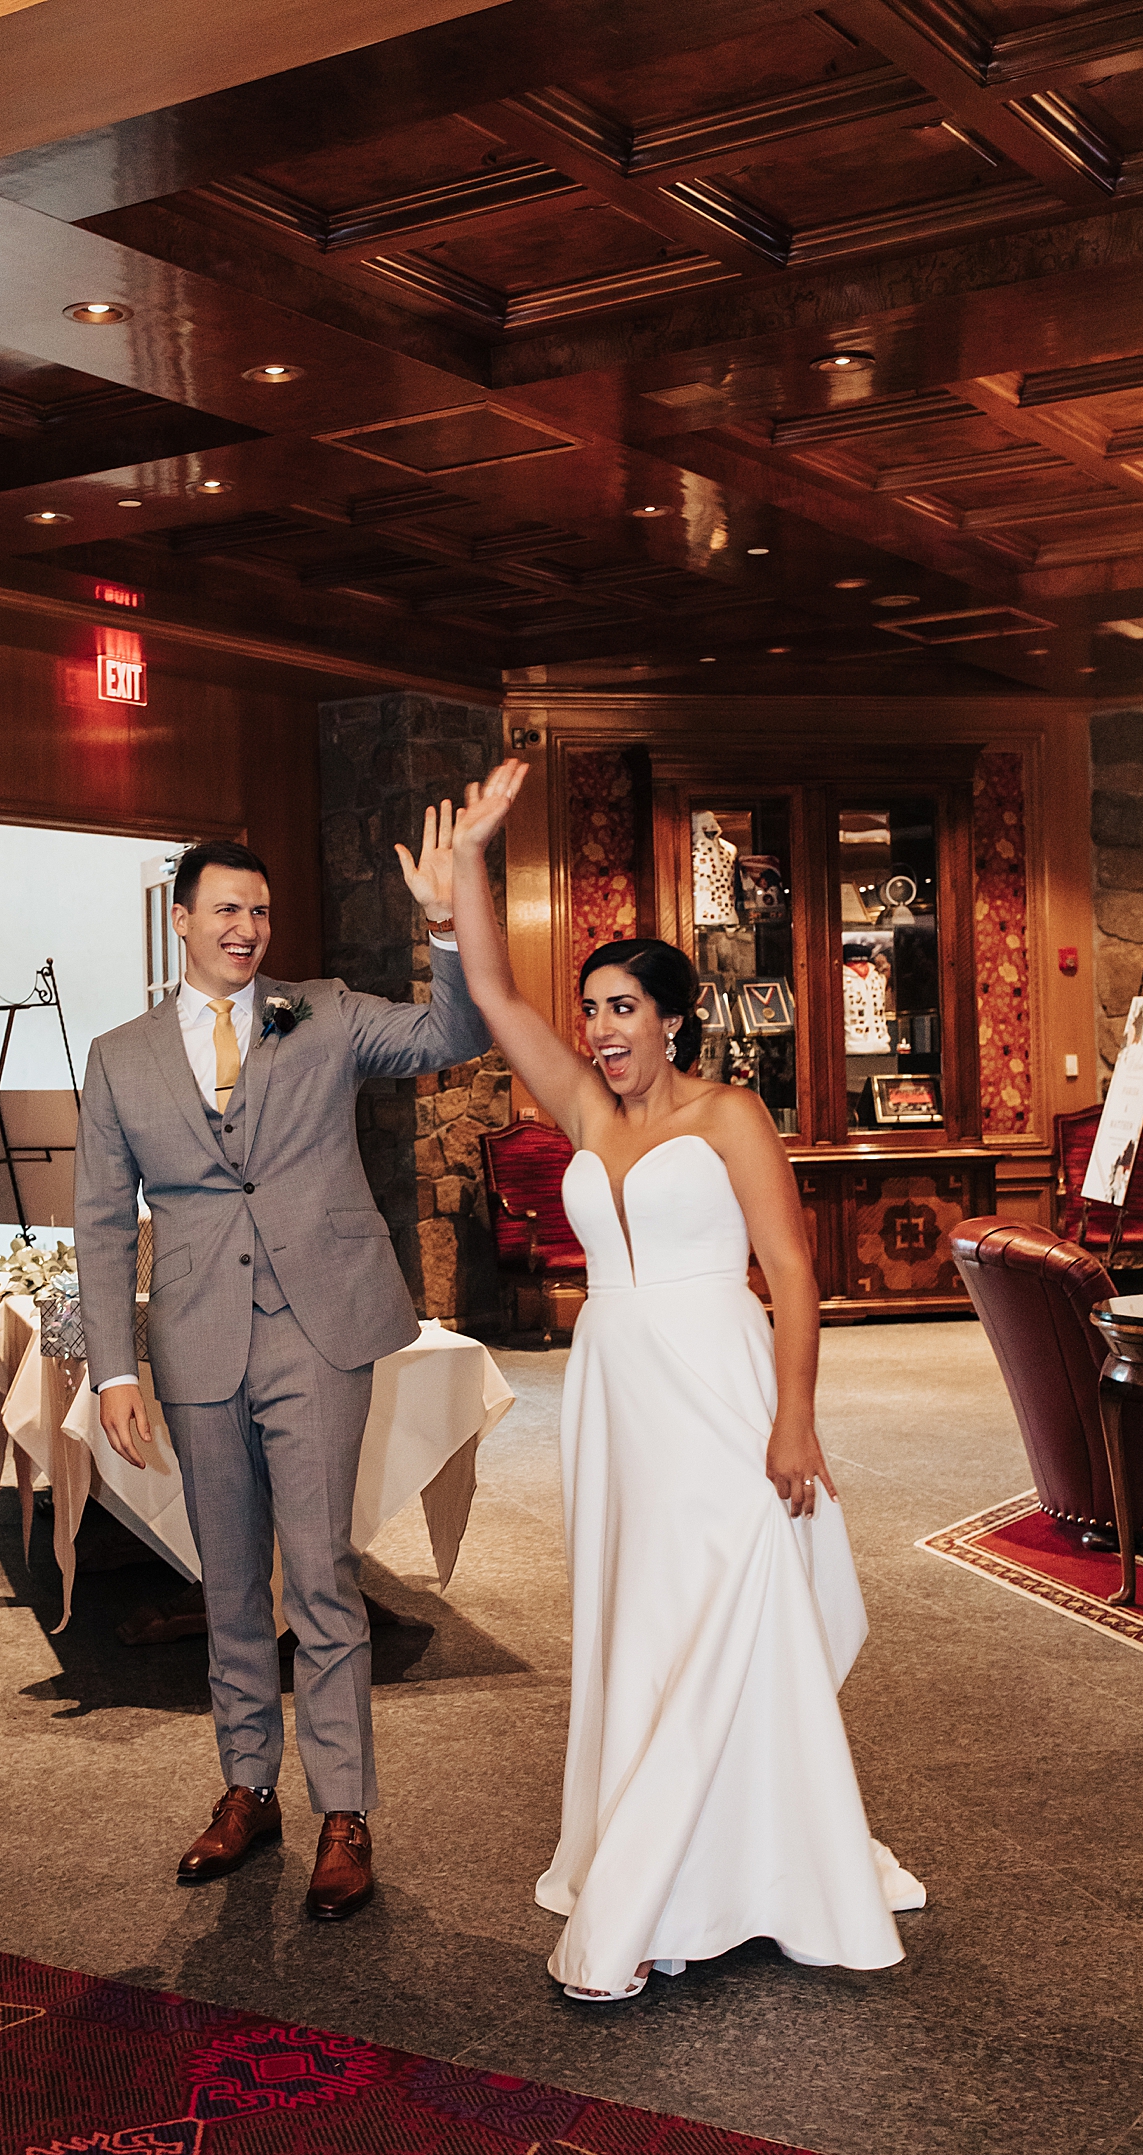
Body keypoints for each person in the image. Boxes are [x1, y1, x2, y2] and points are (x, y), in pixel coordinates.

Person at [449, 760, 923, 2001]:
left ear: (673, 1018)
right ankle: (686, 1853)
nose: (600, 1029)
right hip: (615, 1402)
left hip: (721, 1390)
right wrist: (474, 857)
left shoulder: (729, 1119)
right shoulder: (587, 1117)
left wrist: (795, 1422)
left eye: (621, 1010)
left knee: (735, 1599)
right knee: (644, 1620)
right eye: (592, 1009)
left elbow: (795, 1277)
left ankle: (670, 1894)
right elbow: (490, 988)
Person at [73, 815, 488, 1922]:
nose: (249, 928)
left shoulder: (325, 1011)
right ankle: (249, 1790)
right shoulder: (119, 1058)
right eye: (227, 910)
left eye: (261, 911)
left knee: (320, 1576)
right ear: (182, 922)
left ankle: (344, 1811)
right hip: (200, 1341)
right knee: (227, 1586)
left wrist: (446, 922)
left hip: (318, 1331)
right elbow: (105, 1225)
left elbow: (455, 1030)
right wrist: (113, 1367)